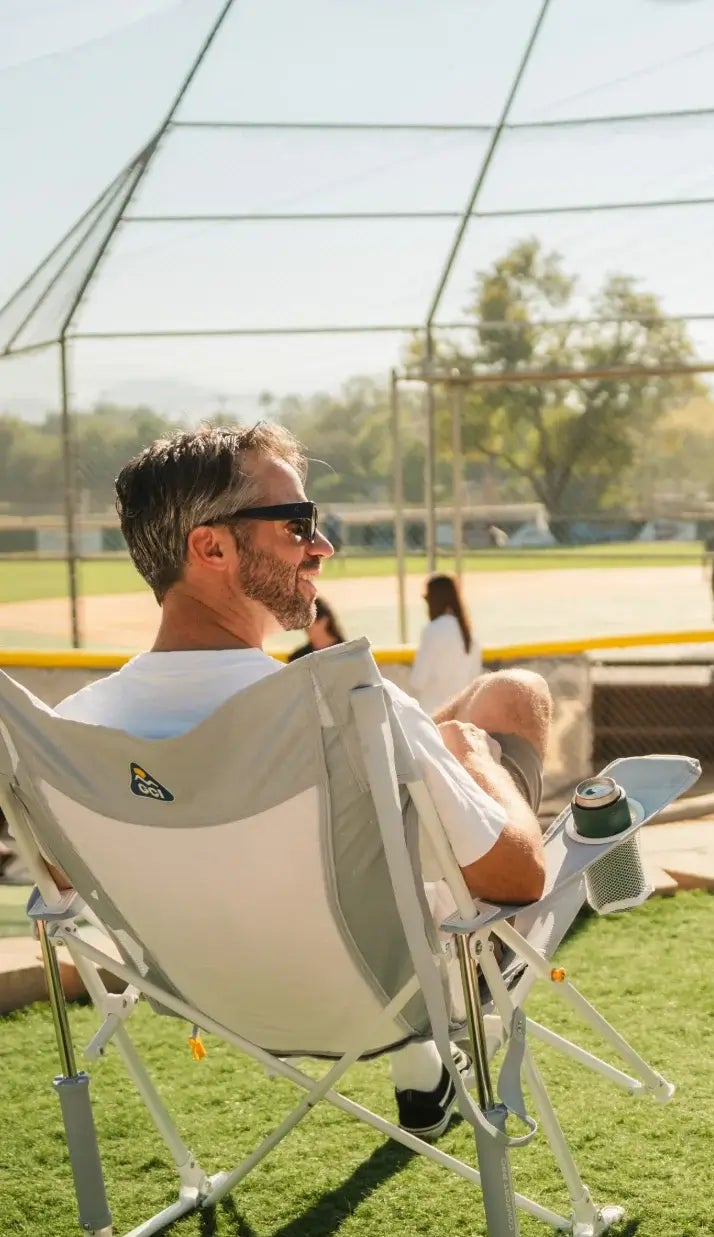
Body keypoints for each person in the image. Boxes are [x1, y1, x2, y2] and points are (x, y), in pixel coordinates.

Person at [52, 424, 552, 1143]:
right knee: (514, 700)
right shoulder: (352, 708)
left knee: (484, 703)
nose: (323, 547)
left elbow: (65, 883)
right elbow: (518, 877)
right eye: (298, 525)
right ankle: (444, 1043)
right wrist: (470, 758)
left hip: (207, 995)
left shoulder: (74, 737)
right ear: (212, 547)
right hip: (388, 991)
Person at [409, 573, 483, 715]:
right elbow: (474, 679)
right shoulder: (469, 634)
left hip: (432, 715)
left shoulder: (433, 630)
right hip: (461, 715)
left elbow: (418, 680)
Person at [286, 594, 345, 660]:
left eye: (309, 621)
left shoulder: (346, 653)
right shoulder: (297, 658)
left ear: (324, 620)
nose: (306, 627)